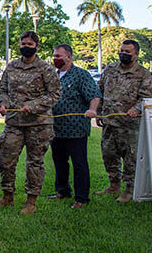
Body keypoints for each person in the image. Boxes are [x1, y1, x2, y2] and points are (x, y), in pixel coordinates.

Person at [0, 31, 61, 215]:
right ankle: (7, 196)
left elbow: (54, 94)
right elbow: (3, 88)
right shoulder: (12, 66)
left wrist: (34, 105)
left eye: (30, 44)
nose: (26, 47)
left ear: (37, 47)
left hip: (38, 124)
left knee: (35, 163)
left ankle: (31, 200)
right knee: (6, 160)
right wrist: (3, 103)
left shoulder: (45, 69)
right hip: (14, 123)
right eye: (23, 43)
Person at [96, 39, 152, 203]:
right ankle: (113, 185)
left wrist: (136, 109)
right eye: (122, 50)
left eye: (128, 52)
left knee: (131, 158)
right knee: (109, 155)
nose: (123, 54)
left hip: (130, 126)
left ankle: (129, 189)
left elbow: (147, 98)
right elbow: (99, 91)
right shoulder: (110, 69)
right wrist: (99, 112)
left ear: (136, 54)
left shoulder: (143, 74)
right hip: (110, 122)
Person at [48, 44, 101, 208]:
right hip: (56, 129)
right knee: (59, 162)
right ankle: (62, 191)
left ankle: (82, 198)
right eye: (54, 56)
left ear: (69, 57)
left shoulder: (81, 75)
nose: (55, 59)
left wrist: (92, 110)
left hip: (76, 129)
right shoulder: (54, 76)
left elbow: (94, 95)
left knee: (79, 164)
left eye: (59, 56)